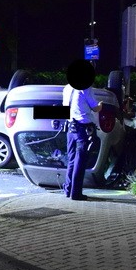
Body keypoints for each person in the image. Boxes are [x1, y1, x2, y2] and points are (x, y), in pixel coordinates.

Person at [61, 60, 102, 201]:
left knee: (71, 160)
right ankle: (76, 193)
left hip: (70, 129)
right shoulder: (86, 88)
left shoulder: (66, 88)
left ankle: (68, 189)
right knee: (80, 160)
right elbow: (95, 107)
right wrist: (101, 105)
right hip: (82, 129)